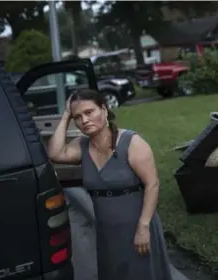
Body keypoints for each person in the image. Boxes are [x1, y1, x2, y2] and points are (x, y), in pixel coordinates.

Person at [47, 89, 173, 280]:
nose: (84, 120)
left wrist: (144, 227)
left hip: (137, 226)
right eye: (78, 117)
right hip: (108, 232)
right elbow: (55, 154)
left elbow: (152, 184)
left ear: (104, 110)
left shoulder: (132, 142)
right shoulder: (82, 146)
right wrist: (65, 116)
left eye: (89, 112)